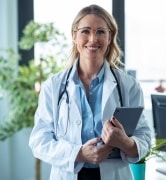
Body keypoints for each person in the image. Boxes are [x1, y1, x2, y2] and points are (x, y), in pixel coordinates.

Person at [29, 4, 151, 180]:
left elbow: (144, 137)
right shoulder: (53, 86)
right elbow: (39, 141)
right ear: (74, 36)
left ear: (110, 37)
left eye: (101, 32)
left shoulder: (128, 86)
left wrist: (125, 142)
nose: (93, 39)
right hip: (69, 174)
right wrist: (78, 154)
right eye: (85, 31)